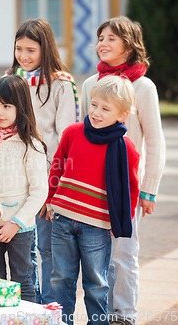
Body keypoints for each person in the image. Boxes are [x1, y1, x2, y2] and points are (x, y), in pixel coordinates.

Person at [80, 16, 166, 325]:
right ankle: (101, 313)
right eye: (100, 37)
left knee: (123, 253)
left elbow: (155, 140)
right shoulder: (91, 84)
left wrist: (149, 188)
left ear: (129, 46)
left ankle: (124, 315)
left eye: (111, 38)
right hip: (91, 185)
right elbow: (80, 135)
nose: (103, 43)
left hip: (127, 186)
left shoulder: (143, 87)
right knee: (95, 255)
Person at [47, 75, 140, 325]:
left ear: (122, 115)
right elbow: (57, 167)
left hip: (97, 226)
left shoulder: (126, 148)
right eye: (94, 105)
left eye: (105, 109)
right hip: (63, 219)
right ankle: (61, 322)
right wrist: (50, 199)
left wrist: (120, 221)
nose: (96, 112)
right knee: (60, 278)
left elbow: (131, 189)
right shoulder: (73, 133)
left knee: (96, 283)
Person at [5, 18, 80, 304]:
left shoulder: (62, 84)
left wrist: (54, 188)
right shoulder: (11, 80)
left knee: (48, 250)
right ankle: (28, 306)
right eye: (19, 49)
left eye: (31, 50)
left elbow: (66, 139)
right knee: (23, 248)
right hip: (14, 180)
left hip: (46, 180)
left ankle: (51, 309)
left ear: (45, 49)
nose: (23, 56)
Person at [0, 75, 48, 302]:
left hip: (20, 228)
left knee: (23, 280)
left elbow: (39, 192)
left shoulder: (31, 146)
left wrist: (15, 224)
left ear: (21, 106)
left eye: (6, 106)